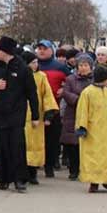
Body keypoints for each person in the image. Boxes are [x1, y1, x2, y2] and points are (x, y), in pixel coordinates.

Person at [0, 36, 39, 193]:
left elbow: (32, 93)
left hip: (16, 114)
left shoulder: (22, 69)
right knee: (1, 147)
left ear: (5, 51)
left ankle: (19, 179)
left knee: (17, 147)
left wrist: (35, 115)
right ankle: (3, 178)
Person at [75, 65, 107, 192]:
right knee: (94, 157)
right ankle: (94, 181)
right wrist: (82, 126)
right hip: (93, 131)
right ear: (103, 79)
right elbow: (82, 111)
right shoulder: (87, 92)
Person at [35, 40, 71, 177]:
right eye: (39, 48)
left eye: (44, 48)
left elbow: (71, 81)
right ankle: (34, 165)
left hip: (53, 107)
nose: (41, 51)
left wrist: (63, 89)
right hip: (36, 108)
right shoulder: (33, 65)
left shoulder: (60, 66)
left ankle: (50, 165)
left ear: (51, 50)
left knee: (52, 139)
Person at [23, 51, 58, 185]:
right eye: (33, 62)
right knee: (23, 144)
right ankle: (22, 172)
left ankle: (33, 172)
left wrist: (49, 113)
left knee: (36, 145)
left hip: (36, 116)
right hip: (22, 115)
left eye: (36, 62)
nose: (36, 64)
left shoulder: (41, 76)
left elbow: (47, 95)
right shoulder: (21, 76)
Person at [60, 54, 93, 181]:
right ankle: (73, 170)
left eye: (85, 65)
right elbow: (66, 93)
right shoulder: (70, 79)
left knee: (87, 143)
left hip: (90, 114)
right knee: (73, 144)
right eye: (81, 65)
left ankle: (86, 169)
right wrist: (80, 100)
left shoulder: (94, 80)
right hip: (73, 113)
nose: (83, 68)